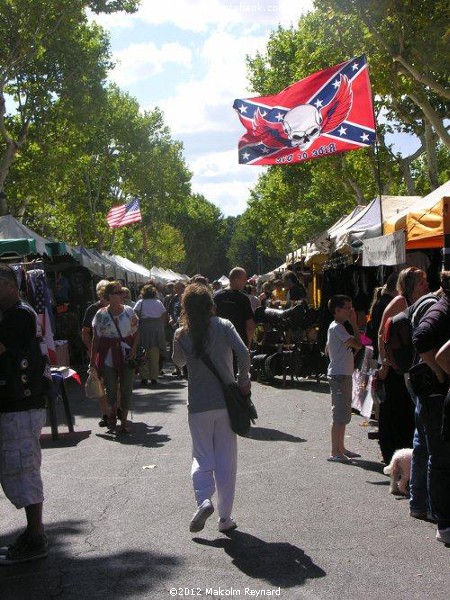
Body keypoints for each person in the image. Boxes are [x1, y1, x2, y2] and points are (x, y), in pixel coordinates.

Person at [172, 283, 251, 533]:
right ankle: (225, 518)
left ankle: (203, 500)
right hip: (226, 403)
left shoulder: (182, 334)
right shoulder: (224, 325)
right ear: (211, 304)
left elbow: (178, 362)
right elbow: (244, 353)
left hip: (198, 405)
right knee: (226, 461)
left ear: (185, 307)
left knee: (201, 456)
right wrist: (242, 381)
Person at [0, 264, 50, 564]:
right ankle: (33, 536)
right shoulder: (12, 314)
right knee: (16, 468)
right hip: (12, 406)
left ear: (9, 285)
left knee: (23, 468)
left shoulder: (20, 314)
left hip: (21, 407)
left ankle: (35, 537)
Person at [413, 270, 450, 545]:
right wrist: (439, 371)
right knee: (439, 457)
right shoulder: (442, 310)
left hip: (435, 394)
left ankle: (424, 507)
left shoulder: (440, 307)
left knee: (431, 451)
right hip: (436, 394)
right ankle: (442, 521)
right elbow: (422, 338)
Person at [377, 267, 429, 464]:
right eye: (421, 281)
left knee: (407, 411)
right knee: (396, 410)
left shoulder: (425, 300)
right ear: (410, 285)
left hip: (411, 365)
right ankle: (393, 457)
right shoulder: (400, 301)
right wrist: (385, 364)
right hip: (396, 366)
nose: (425, 283)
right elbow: (383, 332)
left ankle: (407, 458)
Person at [90, 281, 139, 433]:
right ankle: (112, 411)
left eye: (122, 293)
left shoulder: (129, 311)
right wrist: (93, 361)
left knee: (126, 389)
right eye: (118, 293)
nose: (122, 295)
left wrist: (134, 349)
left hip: (126, 355)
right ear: (110, 296)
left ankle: (123, 421)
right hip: (108, 356)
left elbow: (137, 331)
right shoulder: (101, 314)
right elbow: (96, 339)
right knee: (110, 388)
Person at [325, 294, 362, 463]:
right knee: (339, 414)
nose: (350, 311)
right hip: (339, 375)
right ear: (337, 310)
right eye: (348, 308)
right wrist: (355, 323)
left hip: (343, 373)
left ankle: (341, 447)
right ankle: (335, 450)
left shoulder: (338, 327)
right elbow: (358, 344)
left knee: (344, 413)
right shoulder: (337, 327)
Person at [81, 280, 110, 427]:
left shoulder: (118, 308)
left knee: (115, 381)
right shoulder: (92, 309)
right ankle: (105, 413)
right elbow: (85, 332)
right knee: (101, 383)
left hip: (115, 350)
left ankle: (115, 408)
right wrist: (90, 349)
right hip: (98, 351)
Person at [213, 267, 255, 350]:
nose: (246, 282)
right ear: (236, 280)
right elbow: (250, 326)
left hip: (219, 343)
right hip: (238, 343)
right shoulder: (243, 299)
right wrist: (248, 345)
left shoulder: (216, 296)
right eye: (244, 279)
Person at [133, 284, 167, 386]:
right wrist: (162, 326)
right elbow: (164, 314)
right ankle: (154, 377)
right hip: (157, 327)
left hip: (144, 327)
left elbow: (134, 313)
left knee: (143, 352)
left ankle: (144, 376)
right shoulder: (158, 302)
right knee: (154, 353)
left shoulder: (140, 302)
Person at [167, 281, 186, 376]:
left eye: (178, 288)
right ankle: (177, 368)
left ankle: (186, 369)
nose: (176, 290)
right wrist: (171, 320)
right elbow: (169, 311)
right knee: (174, 347)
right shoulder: (173, 298)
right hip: (174, 326)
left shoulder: (187, 297)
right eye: (175, 288)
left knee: (185, 346)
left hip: (185, 326)